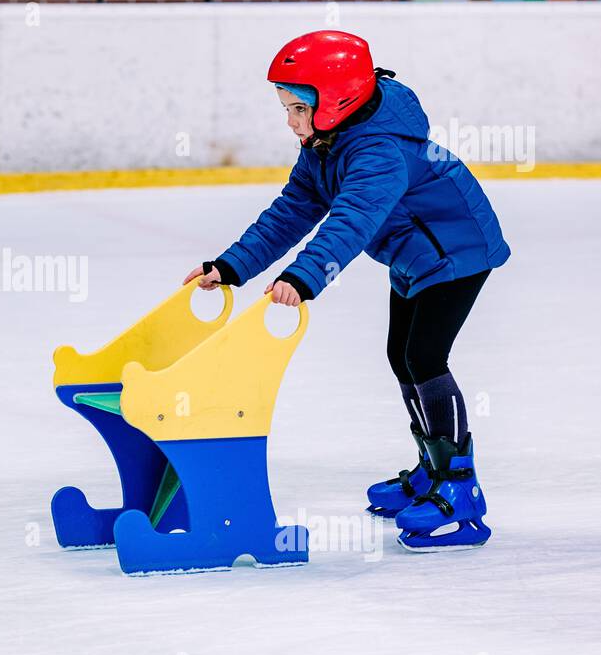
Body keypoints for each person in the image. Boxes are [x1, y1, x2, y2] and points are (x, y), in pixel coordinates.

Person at [183, 30, 510, 552]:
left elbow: (352, 220)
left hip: (457, 253)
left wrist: (302, 277)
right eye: (286, 108)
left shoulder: (380, 152)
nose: (289, 122)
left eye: (296, 108)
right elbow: (292, 210)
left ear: (335, 101)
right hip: (414, 254)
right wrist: (232, 266)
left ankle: (459, 488)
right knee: (399, 356)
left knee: (425, 358)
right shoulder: (325, 143)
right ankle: (431, 470)